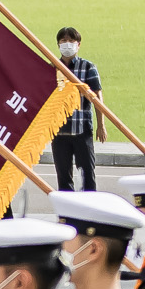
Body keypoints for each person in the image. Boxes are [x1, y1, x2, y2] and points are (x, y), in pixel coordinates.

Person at [51, 27, 103, 192]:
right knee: (63, 177)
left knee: (88, 173)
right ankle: (67, 214)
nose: (67, 45)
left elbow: (97, 97)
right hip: (58, 132)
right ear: (58, 44)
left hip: (82, 130)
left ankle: (89, 211)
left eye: (71, 41)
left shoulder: (87, 67)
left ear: (78, 44)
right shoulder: (52, 67)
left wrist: (101, 125)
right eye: (63, 41)